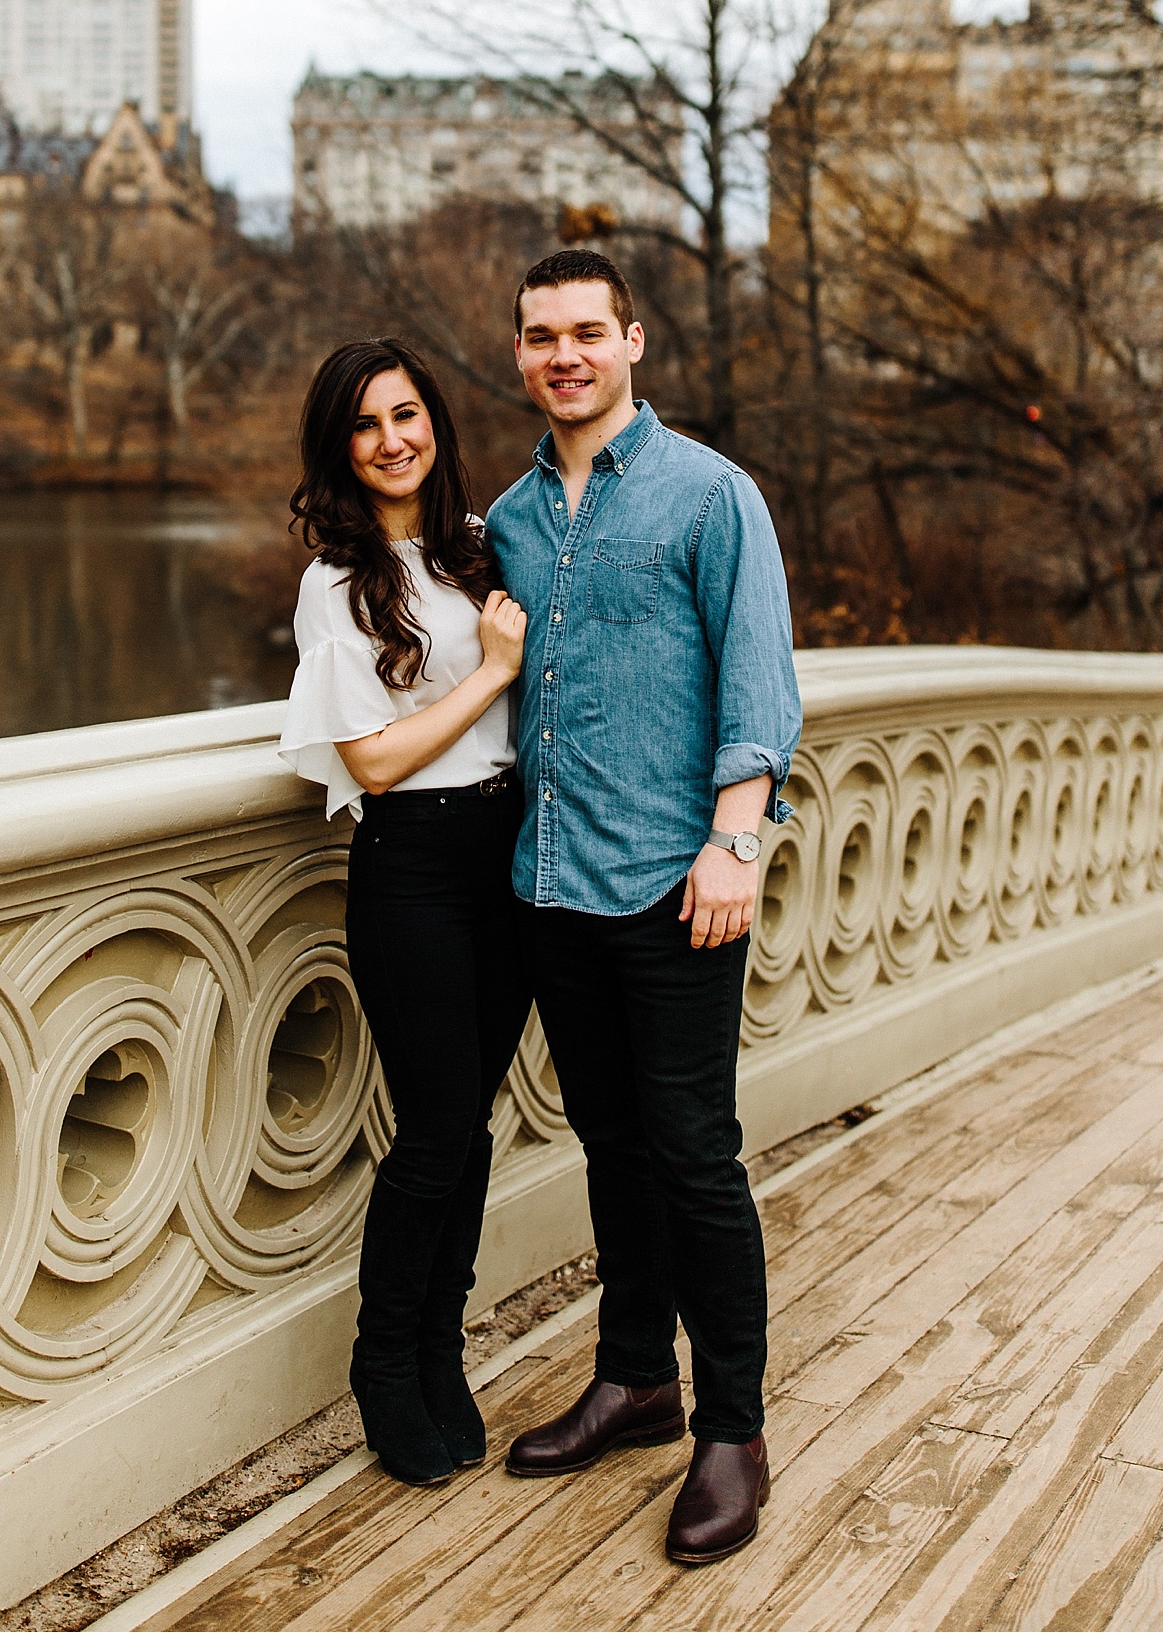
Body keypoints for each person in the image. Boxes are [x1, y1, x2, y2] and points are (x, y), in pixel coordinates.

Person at [485, 249, 801, 1566]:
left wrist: (740, 839)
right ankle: (635, 1380)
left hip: (681, 890)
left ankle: (732, 1428)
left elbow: (760, 681)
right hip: (552, 886)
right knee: (611, 1148)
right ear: (520, 355)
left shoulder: (708, 495)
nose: (565, 355)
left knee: (694, 1157)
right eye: (541, 336)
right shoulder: (504, 519)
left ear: (634, 343)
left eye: (587, 333)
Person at [278, 338, 531, 1490]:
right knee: (433, 1132)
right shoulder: (337, 582)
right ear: (341, 449)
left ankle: (442, 1340)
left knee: (468, 1126)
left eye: (409, 413)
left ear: (436, 422)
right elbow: (372, 762)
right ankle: (387, 1362)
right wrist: (487, 674)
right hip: (413, 867)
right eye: (368, 423)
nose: (394, 438)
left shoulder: (479, 553)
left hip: (508, 859)